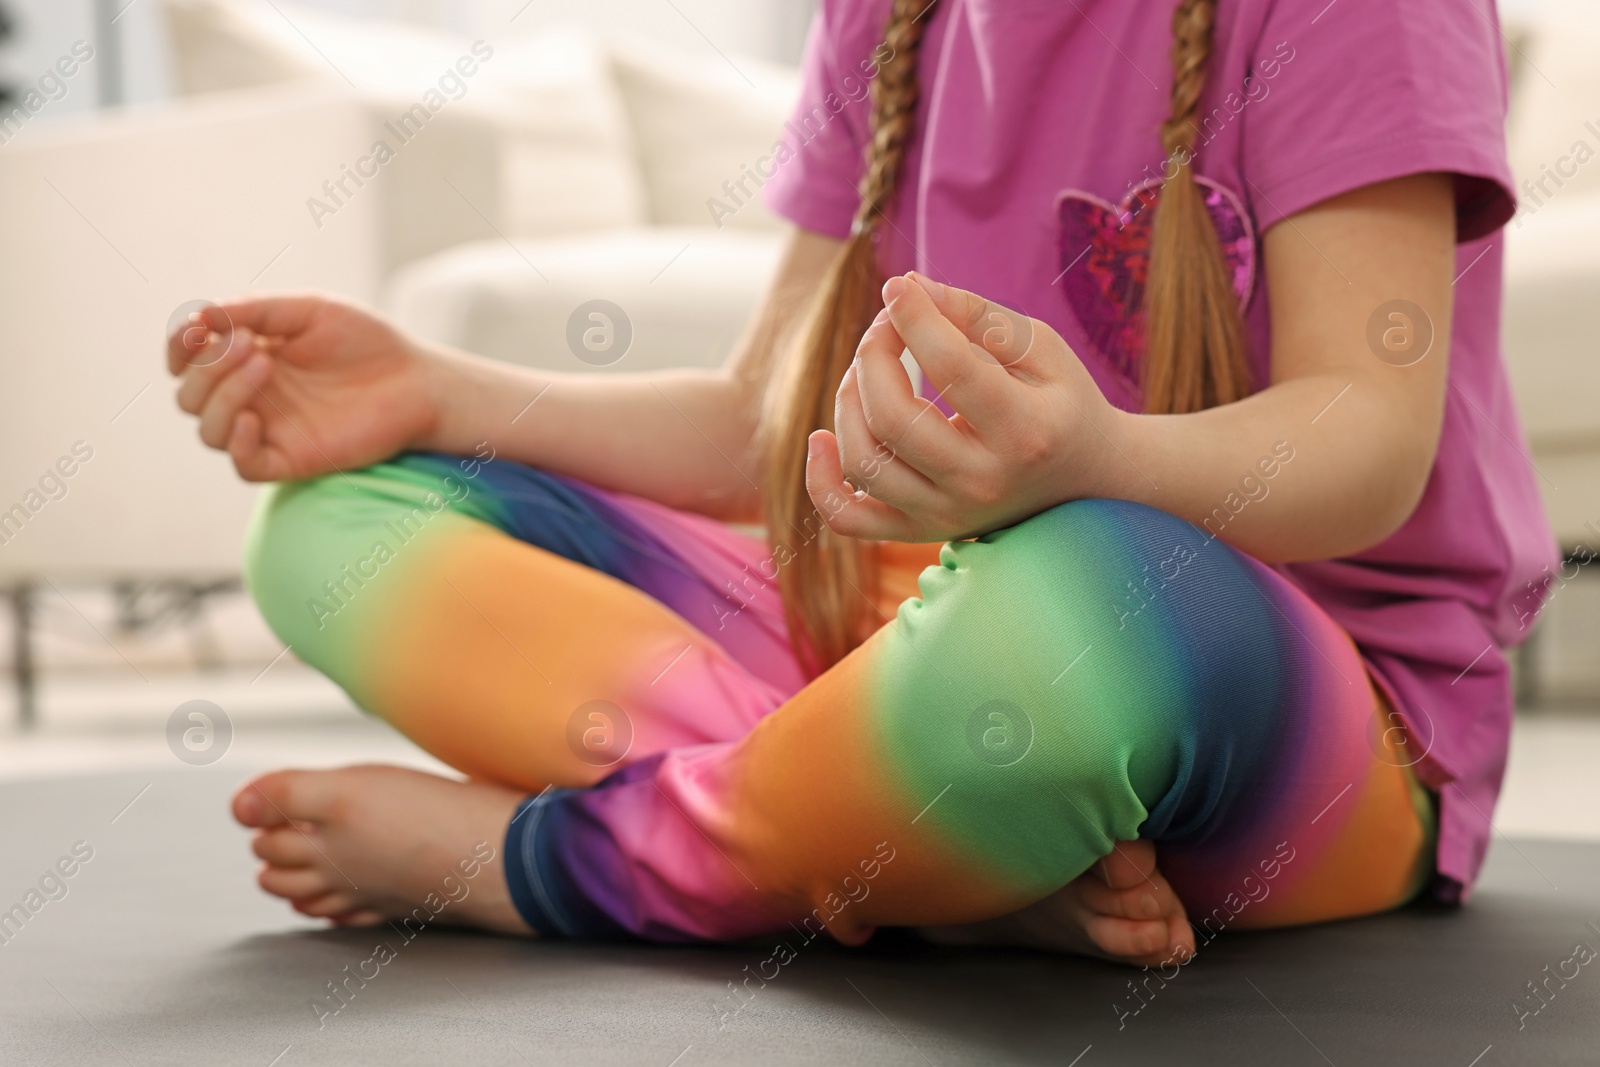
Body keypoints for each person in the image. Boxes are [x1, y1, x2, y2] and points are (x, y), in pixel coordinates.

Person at [167, 0, 1552, 967]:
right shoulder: (894, 13)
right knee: (334, 527)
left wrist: (1096, 460)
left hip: (1283, 699)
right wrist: (443, 393)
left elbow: (1368, 440)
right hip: (906, 635)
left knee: (1076, 603)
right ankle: (922, 858)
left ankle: (563, 868)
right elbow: (768, 431)